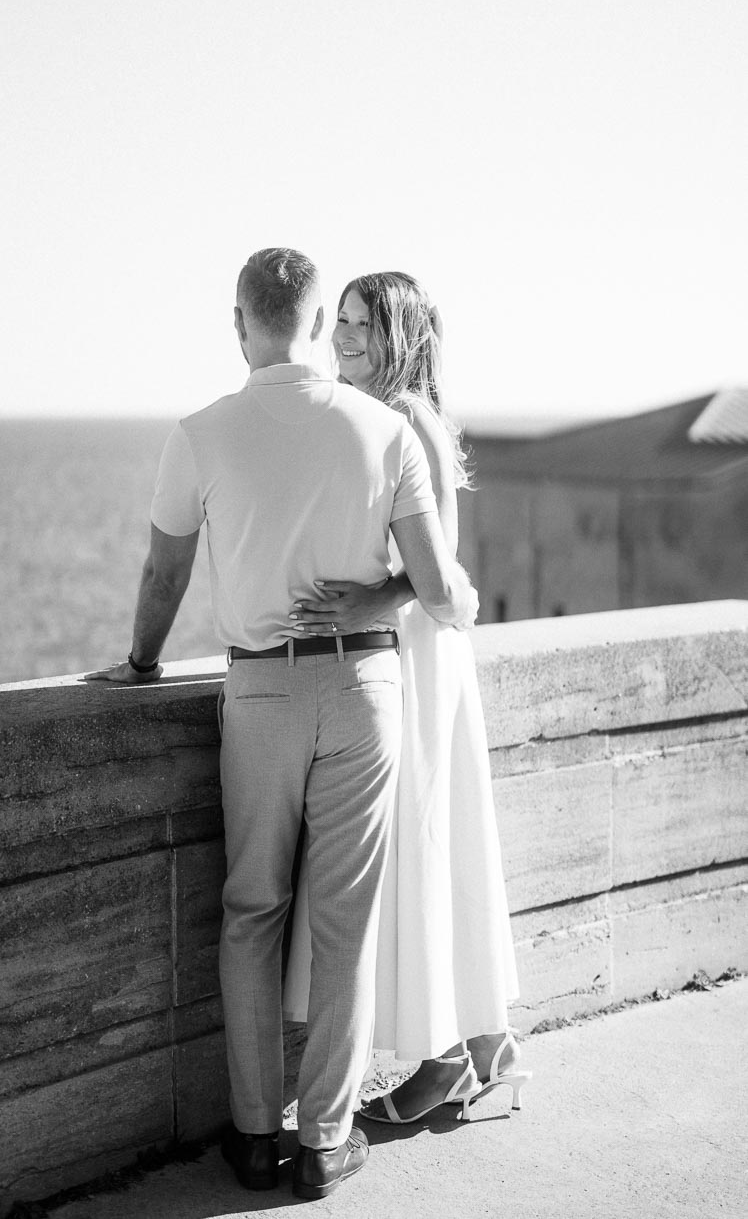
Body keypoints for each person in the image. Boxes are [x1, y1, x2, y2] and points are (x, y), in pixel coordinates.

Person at [86, 249, 477, 1199]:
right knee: (344, 919)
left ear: (239, 322)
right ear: (311, 322)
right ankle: (327, 1143)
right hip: (364, 693)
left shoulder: (200, 432)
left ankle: (257, 1136)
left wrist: (140, 663)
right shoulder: (384, 428)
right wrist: (365, 600)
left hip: (258, 694)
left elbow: (164, 577)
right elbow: (434, 589)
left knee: (253, 910)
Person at [282, 271, 529, 1124]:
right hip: (423, 657)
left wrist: (365, 601)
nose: (341, 337)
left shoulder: (406, 418)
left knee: (421, 844)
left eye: (360, 323)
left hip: (418, 662)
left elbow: (442, 570)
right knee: (438, 839)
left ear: (397, 334)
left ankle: (443, 1060)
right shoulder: (387, 416)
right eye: (338, 321)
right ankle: (487, 1048)